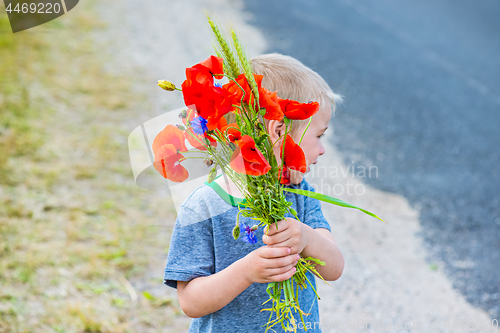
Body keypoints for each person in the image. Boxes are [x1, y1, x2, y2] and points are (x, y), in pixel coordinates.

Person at [163, 53, 345, 332]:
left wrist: (306, 237)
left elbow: (334, 268)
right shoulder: (203, 206)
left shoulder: (300, 194)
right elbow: (190, 301)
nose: (322, 150)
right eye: (318, 136)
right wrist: (246, 272)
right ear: (278, 130)